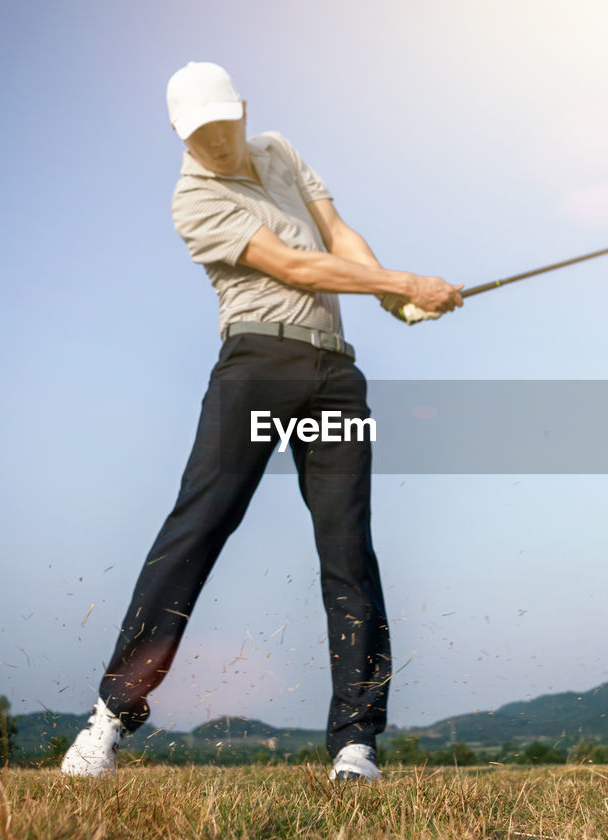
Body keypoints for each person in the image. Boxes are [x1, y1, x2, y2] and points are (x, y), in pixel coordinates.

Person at [61, 61, 462, 781]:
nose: (215, 142)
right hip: (254, 369)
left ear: (241, 110)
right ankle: (108, 720)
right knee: (198, 529)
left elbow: (336, 234)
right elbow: (296, 266)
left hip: (336, 377)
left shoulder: (277, 150)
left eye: (223, 125)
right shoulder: (192, 198)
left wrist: (393, 304)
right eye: (198, 133)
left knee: (349, 551)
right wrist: (405, 282)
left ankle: (356, 743)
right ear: (180, 135)